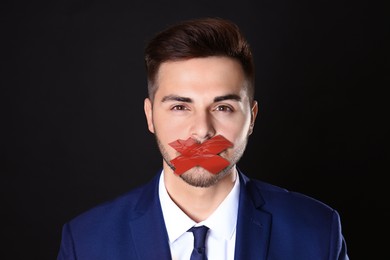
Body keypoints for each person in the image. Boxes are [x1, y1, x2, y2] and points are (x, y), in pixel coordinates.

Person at [57, 17, 349, 260]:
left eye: (223, 107)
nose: (201, 131)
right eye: (180, 107)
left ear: (252, 118)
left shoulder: (317, 232)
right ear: (150, 116)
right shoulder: (86, 242)